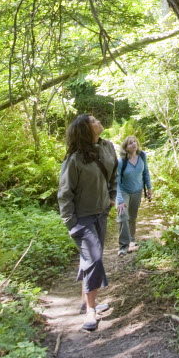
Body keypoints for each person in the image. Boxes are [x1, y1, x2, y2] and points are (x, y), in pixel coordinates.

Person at [58, 114, 118, 332]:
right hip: (82, 218)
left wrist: (112, 195)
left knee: (90, 259)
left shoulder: (108, 147)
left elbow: (113, 175)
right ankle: (91, 310)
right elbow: (65, 194)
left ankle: (87, 299)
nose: (98, 121)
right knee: (93, 259)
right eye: (92, 120)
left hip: (101, 213)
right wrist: (71, 223)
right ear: (85, 129)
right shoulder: (74, 159)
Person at [116, 135, 152, 255]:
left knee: (132, 217)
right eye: (130, 143)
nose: (133, 144)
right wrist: (120, 200)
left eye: (135, 142)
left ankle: (131, 241)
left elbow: (146, 172)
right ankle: (123, 246)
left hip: (137, 191)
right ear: (125, 147)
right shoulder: (121, 161)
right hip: (123, 191)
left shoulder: (142, 156)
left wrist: (149, 187)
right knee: (122, 216)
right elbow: (115, 181)